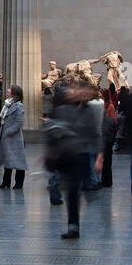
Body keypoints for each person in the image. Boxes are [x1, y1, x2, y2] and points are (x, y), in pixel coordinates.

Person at [47, 80, 103, 239]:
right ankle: (73, 226)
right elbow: (53, 132)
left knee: (75, 189)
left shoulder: (88, 111)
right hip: (67, 155)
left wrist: (99, 156)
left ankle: (86, 189)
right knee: (72, 191)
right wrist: (50, 154)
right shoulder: (62, 110)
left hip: (82, 155)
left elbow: (95, 134)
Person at [0, 83, 27, 189]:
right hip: (7, 136)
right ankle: (6, 182)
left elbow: (18, 122)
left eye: (10, 89)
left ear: (14, 93)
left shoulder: (18, 106)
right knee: (7, 159)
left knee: (18, 161)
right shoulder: (8, 104)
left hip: (14, 137)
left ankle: (19, 183)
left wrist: (9, 131)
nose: (8, 90)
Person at [100, 87, 117, 188]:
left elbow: (114, 121)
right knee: (104, 159)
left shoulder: (109, 106)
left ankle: (107, 180)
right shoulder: (104, 105)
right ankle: (104, 179)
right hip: (104, 134)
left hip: (107, 135)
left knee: (107, 160)